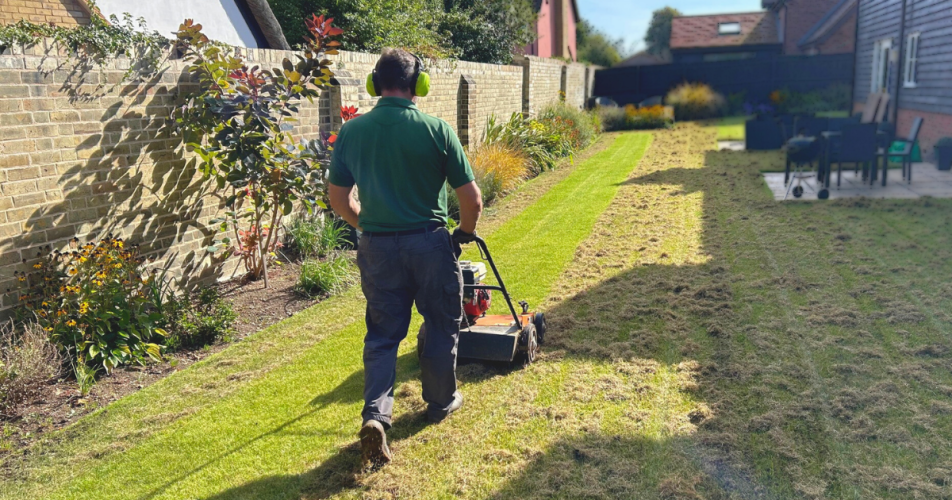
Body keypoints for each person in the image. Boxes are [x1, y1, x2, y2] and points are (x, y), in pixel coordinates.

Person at [328, 48, 483, 468]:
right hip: (429, 244)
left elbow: (338, 200)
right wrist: (464, 233)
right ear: (419, 85)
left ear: (374, 84)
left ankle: (376, 415)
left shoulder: (352, 131)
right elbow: (472, 200)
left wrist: (366, 226)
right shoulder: (437, 130)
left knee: (382, 335)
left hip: (377, 248)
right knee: (441, 323)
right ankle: (440, 402)